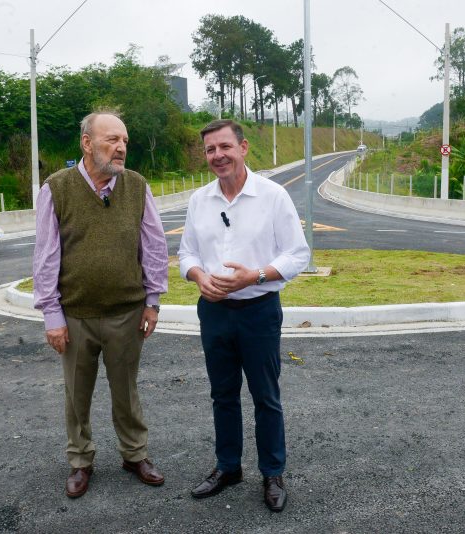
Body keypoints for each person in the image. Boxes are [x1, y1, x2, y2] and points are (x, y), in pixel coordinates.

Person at [33, 109, 169, 498]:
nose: (121, 147)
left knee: (127, 390)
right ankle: (80, 460)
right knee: (76, 395)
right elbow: (46, 256)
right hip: (75, 316)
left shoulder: (137, 186)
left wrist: (153, 301)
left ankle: (134, 454)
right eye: (112, 139)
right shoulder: (56, 189)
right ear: (87, 143)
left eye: (124, 140)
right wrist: (52, 315)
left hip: (127, 313)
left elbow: (155, 247)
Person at [178, 119, 310, 512]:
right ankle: (228, 467)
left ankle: (273, 473)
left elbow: (297, 254)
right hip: (214, 312)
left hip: (258, 311)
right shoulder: (200, 200)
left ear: (243, 147)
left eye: (224, 147)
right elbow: (186, 253)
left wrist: (255, 275)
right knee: (222, 394)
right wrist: (199, 276)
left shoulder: (272, 196)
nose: (217, 156)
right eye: (210, 150)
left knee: (265, 396)